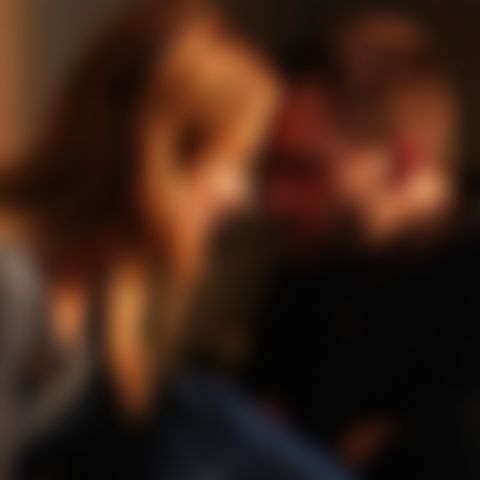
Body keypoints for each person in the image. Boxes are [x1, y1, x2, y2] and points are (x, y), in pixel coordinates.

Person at [0, 1, 352, 479]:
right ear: (164, 155)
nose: (242, 196)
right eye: (234, 161)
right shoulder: (12, 282)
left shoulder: (105, 297)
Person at [243, 8, 480, 480]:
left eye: (306, 170)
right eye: (272, 167)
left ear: (406, 159)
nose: (274, 199)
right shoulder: (311, 274)